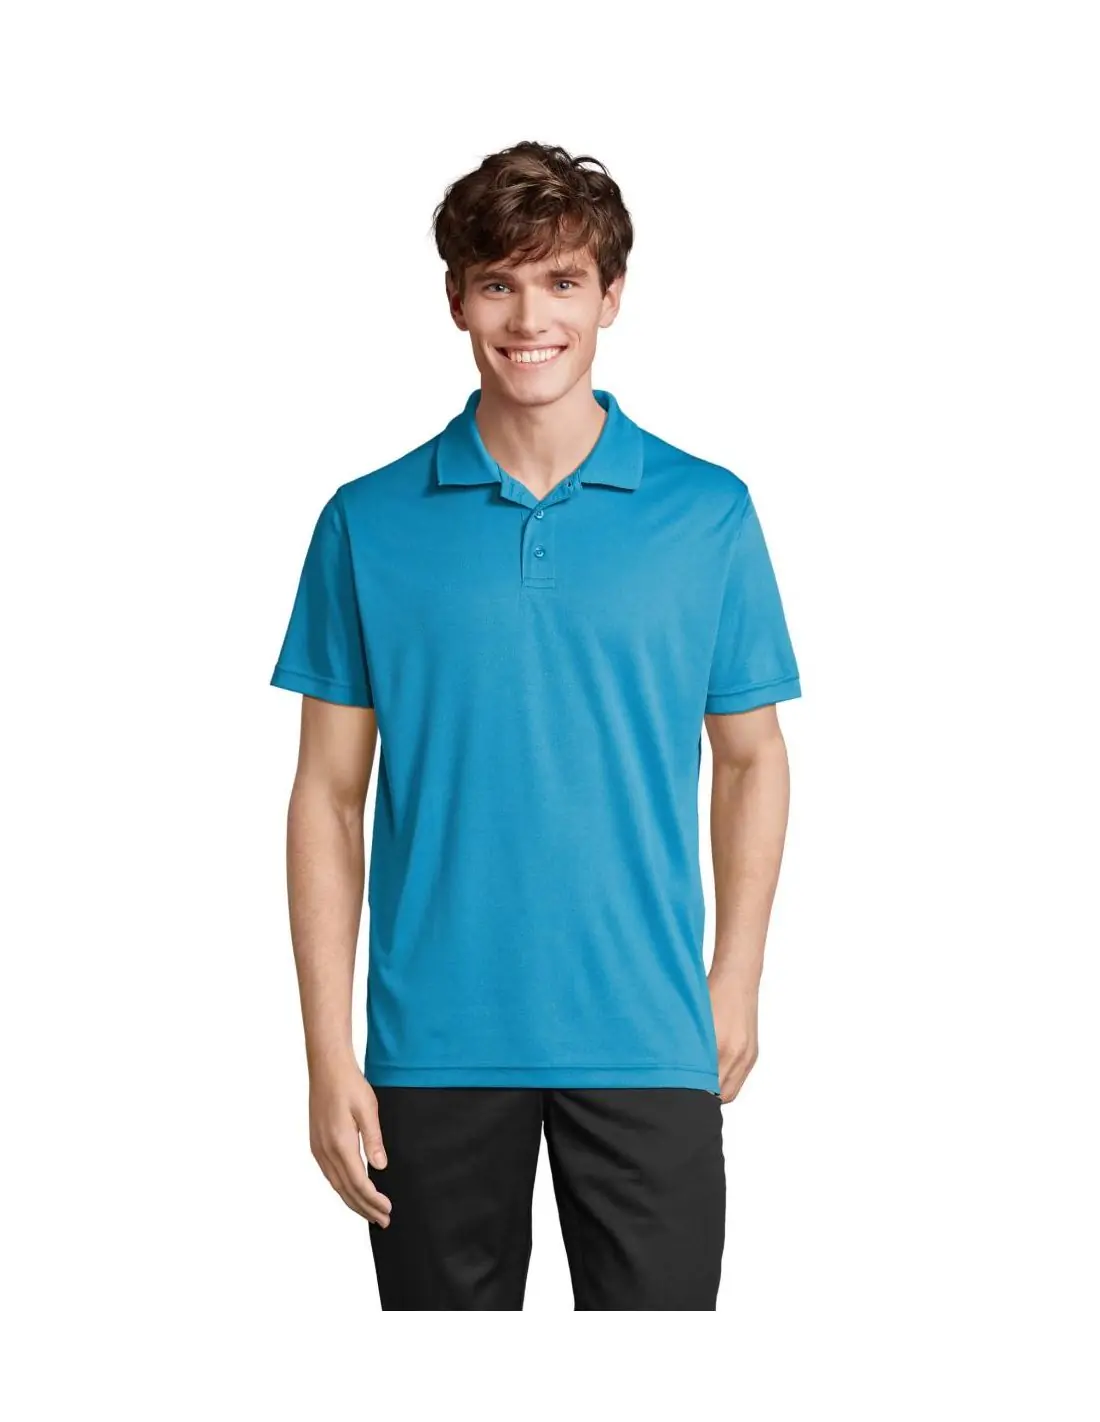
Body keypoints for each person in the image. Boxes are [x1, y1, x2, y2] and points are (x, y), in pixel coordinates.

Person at [269, 140, 801, 1310]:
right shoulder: (366, 522)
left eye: (561, 280)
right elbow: (327, 797)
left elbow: (750, 759)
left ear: (611, 296)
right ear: (455, 299)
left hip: (648, 1034)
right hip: (431, 1046)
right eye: (497, 283)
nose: (528, 318)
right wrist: (325, 1052)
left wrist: (736, 979)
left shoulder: (708, 514)